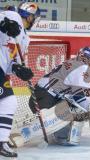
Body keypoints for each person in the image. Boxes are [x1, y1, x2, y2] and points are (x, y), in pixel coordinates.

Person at [28, 47, 90, 145]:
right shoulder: (82, 68)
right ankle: (59, 134)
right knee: (75, 110)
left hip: (38, 97)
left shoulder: (72, 63)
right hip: (46, 98)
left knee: (72, 105)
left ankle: (50, 129)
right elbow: (84, 97)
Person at [0, 2, 40, 157]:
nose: (34, 20)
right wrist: (3, 24)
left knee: (7, 103)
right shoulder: (12, 16)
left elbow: (11, 62)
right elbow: (3, 19)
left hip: (2, 71)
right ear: (29, 16)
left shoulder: (25, 39)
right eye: (34, 17)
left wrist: (17, 69)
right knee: (8, 102)